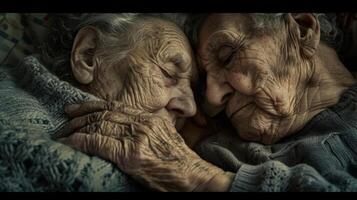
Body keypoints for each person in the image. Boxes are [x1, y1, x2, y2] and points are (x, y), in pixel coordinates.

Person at [56, 13, 354, 192]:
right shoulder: (196, 134)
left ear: (300, 28)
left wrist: (203, 179)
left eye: (226, 55)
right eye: (203, 87)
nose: (210, 100)